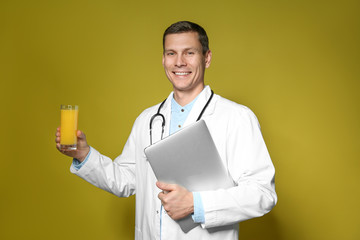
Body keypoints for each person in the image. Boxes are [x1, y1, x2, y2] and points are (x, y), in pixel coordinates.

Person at [55, 21, 277, 240]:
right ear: (163, 59)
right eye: (171, 53)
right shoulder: (147, 120)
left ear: (206, 58)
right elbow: (125, 180)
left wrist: (195, 204)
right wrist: (83, 155)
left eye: (189, 53)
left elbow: (262, 194)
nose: (179, 62)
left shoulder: (236, 117)